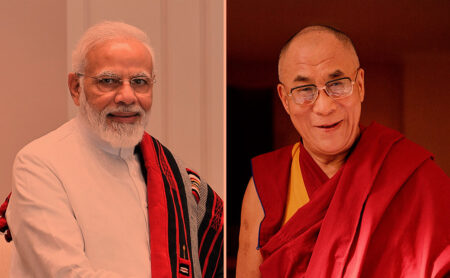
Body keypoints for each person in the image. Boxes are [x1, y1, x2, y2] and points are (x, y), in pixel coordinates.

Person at [0, 21, 223, 277]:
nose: (127, 97)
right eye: (108, 81)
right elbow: (67, 273)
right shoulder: (39, 163)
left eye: (140, 82)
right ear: (76, 88)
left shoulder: (169, 174)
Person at [236, 25, 450, 277]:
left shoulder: (415, 178)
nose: (324, 107)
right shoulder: (265, 185)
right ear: (285, 99)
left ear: (360, 85)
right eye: (304, 90)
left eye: (337, 84)